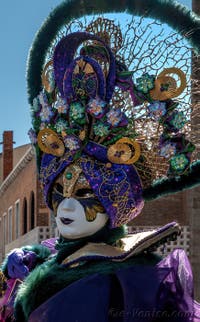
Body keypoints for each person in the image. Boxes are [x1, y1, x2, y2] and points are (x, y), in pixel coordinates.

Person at [1, 0, 200, 321]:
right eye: (60, 193)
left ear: (115, 202)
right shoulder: (56, 257)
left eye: (84, 194)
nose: (65, 208)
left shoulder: (121, 281)